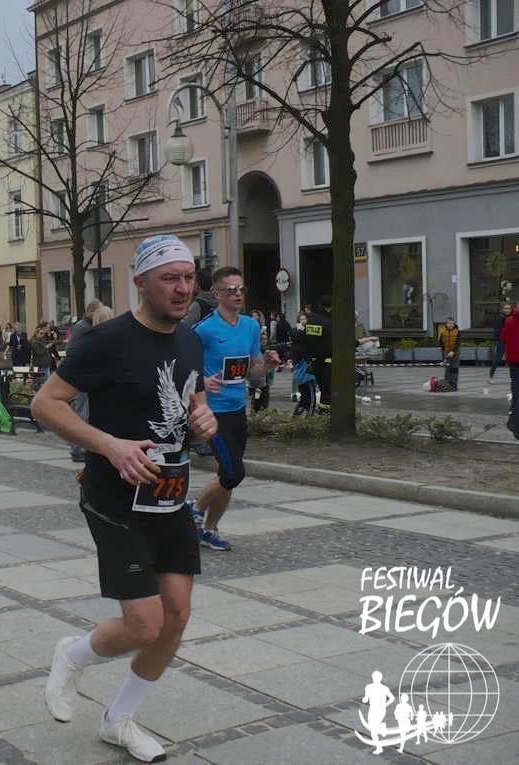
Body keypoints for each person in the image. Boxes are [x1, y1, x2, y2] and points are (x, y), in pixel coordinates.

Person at [33, 234, 217, 763]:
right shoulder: (107, 339)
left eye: (189, 277)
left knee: (175, 616)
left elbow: (191, 398)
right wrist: (109, 445)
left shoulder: (190, 340)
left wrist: (203, 417)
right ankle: (72, 655)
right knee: (144, 624)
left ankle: (119, 721)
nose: (183, 288)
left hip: (169, 496)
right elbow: (46, 404)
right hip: (114, 498)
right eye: (170, 278)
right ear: (140, 282)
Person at [189, 267, 281, 552]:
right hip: (211, 413)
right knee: (233, 472)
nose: (238, 294)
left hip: (237, 409)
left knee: (227, 477)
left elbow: (253, 371)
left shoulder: (250, 326)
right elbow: (182, 367)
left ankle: (208, 529)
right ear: (217, 294)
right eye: (231, 289)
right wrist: (203, 382)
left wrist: (267, 365)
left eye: (241, 289)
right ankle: (194, 509)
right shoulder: (203, 330)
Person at [66, 300, 105, 462]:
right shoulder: (85, 328)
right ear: (92, 311)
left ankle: (79, 448)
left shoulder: (81, 326)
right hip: (83, 376)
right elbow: (75, 351)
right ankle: (77, 448)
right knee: (82, 413)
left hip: (82, 375)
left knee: (82, 412)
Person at [303, 296, 333, 411]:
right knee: (329, 392)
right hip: (328, 362)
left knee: (324, 392)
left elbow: (306, 340)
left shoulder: (312, 320)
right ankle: (327, 414)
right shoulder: (329, 322)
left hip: (315, 362)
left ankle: (323, 413)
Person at [499, 303, 519, 439]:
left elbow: (503, 337)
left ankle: (515, 424)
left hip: (514, 361)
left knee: (516, 391)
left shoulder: (509, 321)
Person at [489, 302, 511, 384]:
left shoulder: (513, 318)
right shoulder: (500, 318)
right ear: (503, 309)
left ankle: (513, 377)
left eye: (509, 308)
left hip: (511, 341)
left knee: (512, 359)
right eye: (506, 308)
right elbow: (497, 330)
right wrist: (499, 339)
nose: (507, 310)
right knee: (497, 359)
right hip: (502, 341)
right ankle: (490, 376)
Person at [438, 317, 461, 390]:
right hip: (446, 355)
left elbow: (458, 343)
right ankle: (447, 385)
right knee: (447, 370)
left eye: (452, 323)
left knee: (454, 370)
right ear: (446, 324)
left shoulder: (457, 332)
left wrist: (453, 351)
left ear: (454, 324)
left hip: (455, 354)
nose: (450, 325)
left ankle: (454, 386)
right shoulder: (443, 333)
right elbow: (441, 345)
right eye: (449, 323)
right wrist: (444, 357)